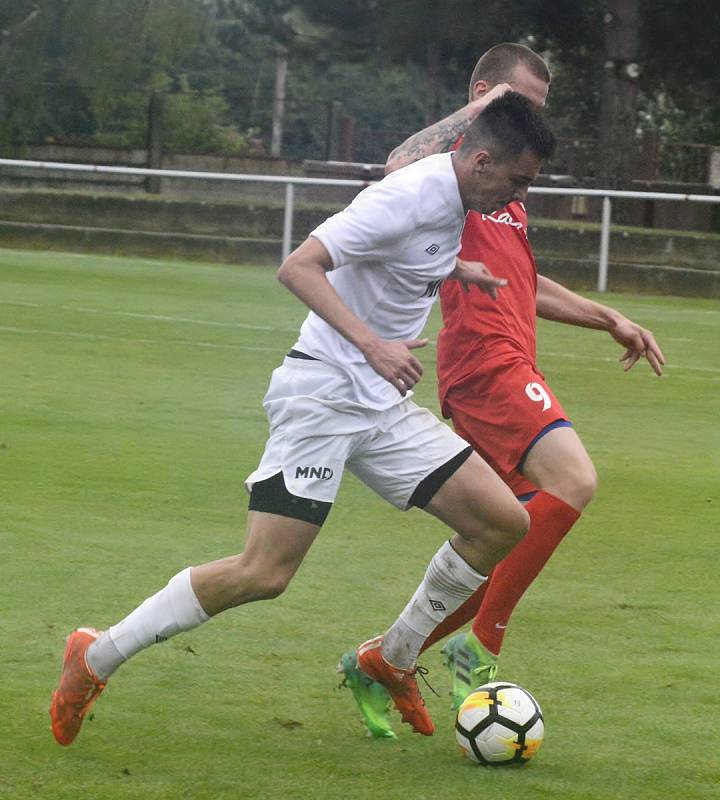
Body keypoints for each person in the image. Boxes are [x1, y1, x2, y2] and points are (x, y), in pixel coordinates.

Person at [49, 93, 558, 746]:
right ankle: (95, 656)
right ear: (482, 161)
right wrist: (374, 344)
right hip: (323, 394)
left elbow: (401, 255)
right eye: (517, 181)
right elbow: (299, 266)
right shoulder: (407, 194)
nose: (518, 198)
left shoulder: (458, 199)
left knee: (501, 523)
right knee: (265, 572)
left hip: (381, 404)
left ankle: (390, 659)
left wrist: (457, 269)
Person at [339, 43, 666, 739]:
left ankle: (383, 658)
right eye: (515, 106)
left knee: (498, 540)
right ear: (485, 96)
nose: (526, 125)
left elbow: (526, 282)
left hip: (511, 357)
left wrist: (609, 317)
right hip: (483, 362)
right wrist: (478, 113)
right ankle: (481, 644)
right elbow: (395, 162)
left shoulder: (505, 192)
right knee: (573, 479)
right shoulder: (450, 172)